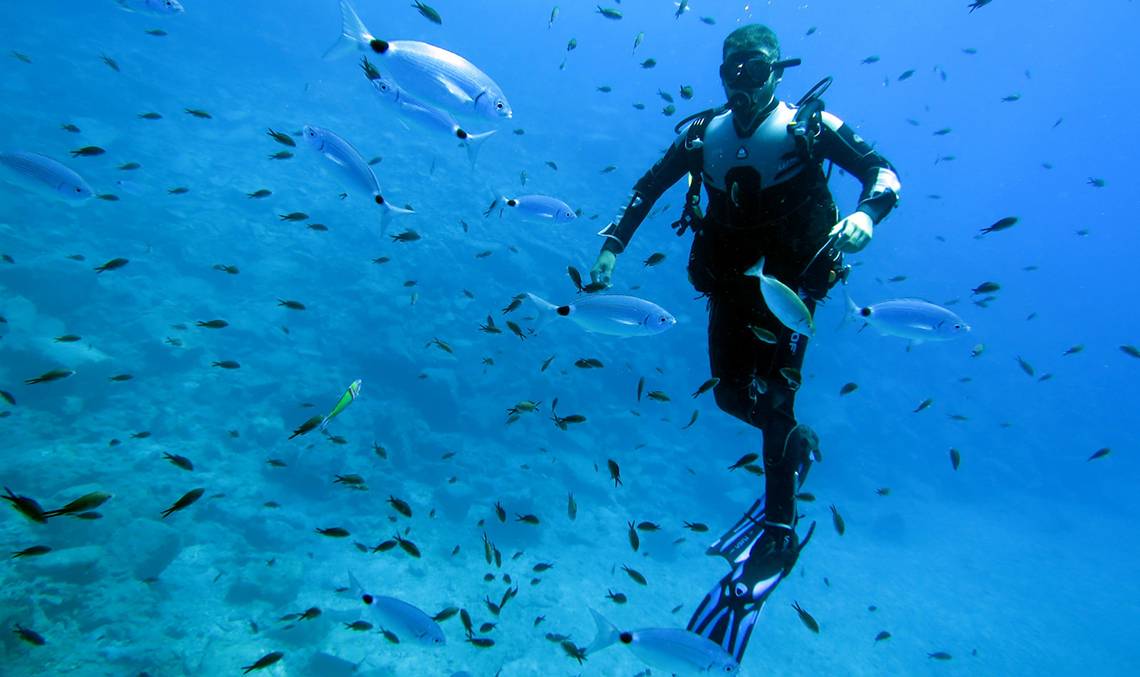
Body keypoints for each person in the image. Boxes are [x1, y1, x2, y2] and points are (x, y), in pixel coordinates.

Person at [588, 24, 900, 663]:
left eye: (754, 70)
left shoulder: (810, 127)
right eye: (732, 70)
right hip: (731, 287)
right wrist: (611, 246)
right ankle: (793, 446)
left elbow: (884, 172)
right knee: (732, 397)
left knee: (779, 398)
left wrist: (867, 213)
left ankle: (780, 529)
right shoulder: (705, 134)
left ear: (777, 72)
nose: (742, 84)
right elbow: (648, 186)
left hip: (790, 291)